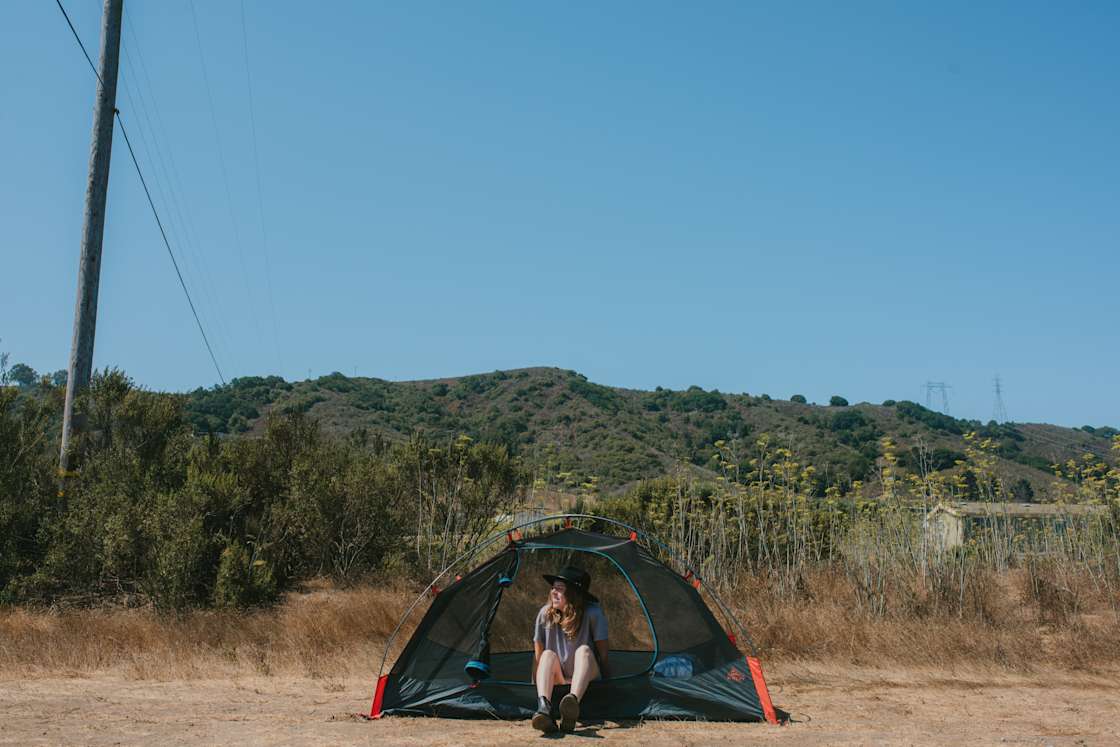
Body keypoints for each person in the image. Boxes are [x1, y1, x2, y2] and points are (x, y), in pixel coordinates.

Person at [531, 565, 610, 733]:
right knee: (547, 655)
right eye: (553, 588)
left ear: (573, 593)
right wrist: (533, 686)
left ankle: (571, 704)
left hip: (587, 674)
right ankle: (544, 708)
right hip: (560, 676)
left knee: (584, 651)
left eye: (559, 589)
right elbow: (538, 657)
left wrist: (610, 686)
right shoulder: (544, 615)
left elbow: (603, 655)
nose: (553, 592)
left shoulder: (593, 613)